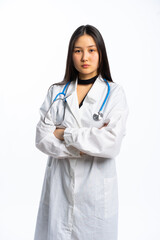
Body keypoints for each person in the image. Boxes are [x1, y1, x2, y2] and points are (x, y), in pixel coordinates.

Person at [34, 24, 129, 240]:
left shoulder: (114, 94)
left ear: (101, 53)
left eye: (91, 50)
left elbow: (110, 143)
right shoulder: (57, 92)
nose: (84, 57)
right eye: (78, 51)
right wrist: (88, 141)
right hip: (59, 190)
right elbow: (41, 138)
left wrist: (64, 133)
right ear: (71, 55)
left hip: (95, 197)